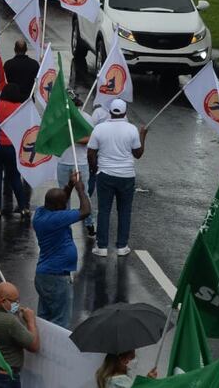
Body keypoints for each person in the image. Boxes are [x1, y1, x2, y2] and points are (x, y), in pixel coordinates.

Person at [87, 99, 147, 256]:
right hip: (127, 176)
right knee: (125, 211)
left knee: (104, 211)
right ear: (125, 112)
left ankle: (102, 247)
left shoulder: (99, 129)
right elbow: (138, 154)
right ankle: (122, 246)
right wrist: (143, 136)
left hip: (105, 175)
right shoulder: (132, 129)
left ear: (110, 112)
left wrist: (94, 169)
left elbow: (91, 153)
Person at [31, 171, 91, 328]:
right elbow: (85, 211)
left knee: (44, 320)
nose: (66, 206)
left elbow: (60, 199)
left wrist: (70, 185)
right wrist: (80, 189)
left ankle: (41, 348)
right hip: (56, 278)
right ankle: (54, 351)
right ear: (58, 207)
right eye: (64, 204)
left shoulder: (41, 213)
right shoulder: (56, 219)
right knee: (60, 323)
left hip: (45, 276)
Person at [0, 282, 39, 388]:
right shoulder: (9, 322)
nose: (17, 305)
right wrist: (30, 320)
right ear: (3, 301)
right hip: (3, 377)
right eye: (15, 301)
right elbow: (34, 345)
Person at [58, 105, 103, 237]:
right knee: (64, 195)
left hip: (80, 162)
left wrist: (74, 139)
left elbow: (91, 137)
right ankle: (65, 226)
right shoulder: (61, 117)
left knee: (83, 193)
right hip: (63, 162)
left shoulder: (86, 117)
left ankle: (89, 224)